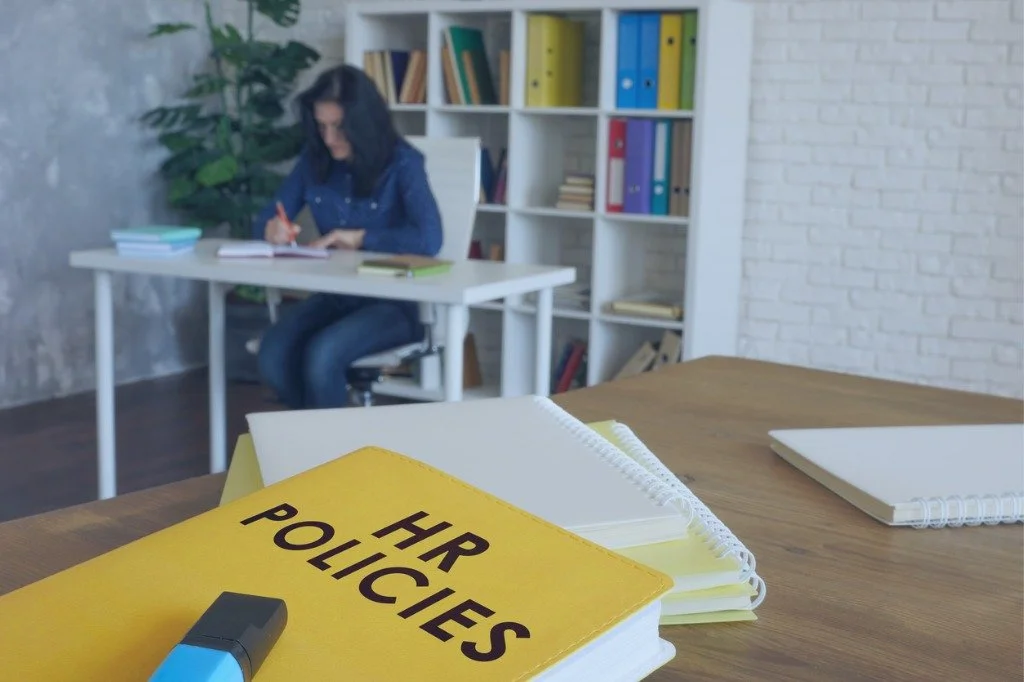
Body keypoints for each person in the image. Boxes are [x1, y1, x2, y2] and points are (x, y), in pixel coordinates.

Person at [253, 64, 443, 409]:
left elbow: (429, 239)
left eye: (339, 128)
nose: (328, 139)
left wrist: (360, 238)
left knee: (322, 355)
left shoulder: (403, 163)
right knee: (273, 353)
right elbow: (267, 217)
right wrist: (271, 229)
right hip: (336, 298)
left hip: (395, 306)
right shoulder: (315, 161)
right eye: (322, 126)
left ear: (362, 124)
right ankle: (313, 444)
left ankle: (331, 455)